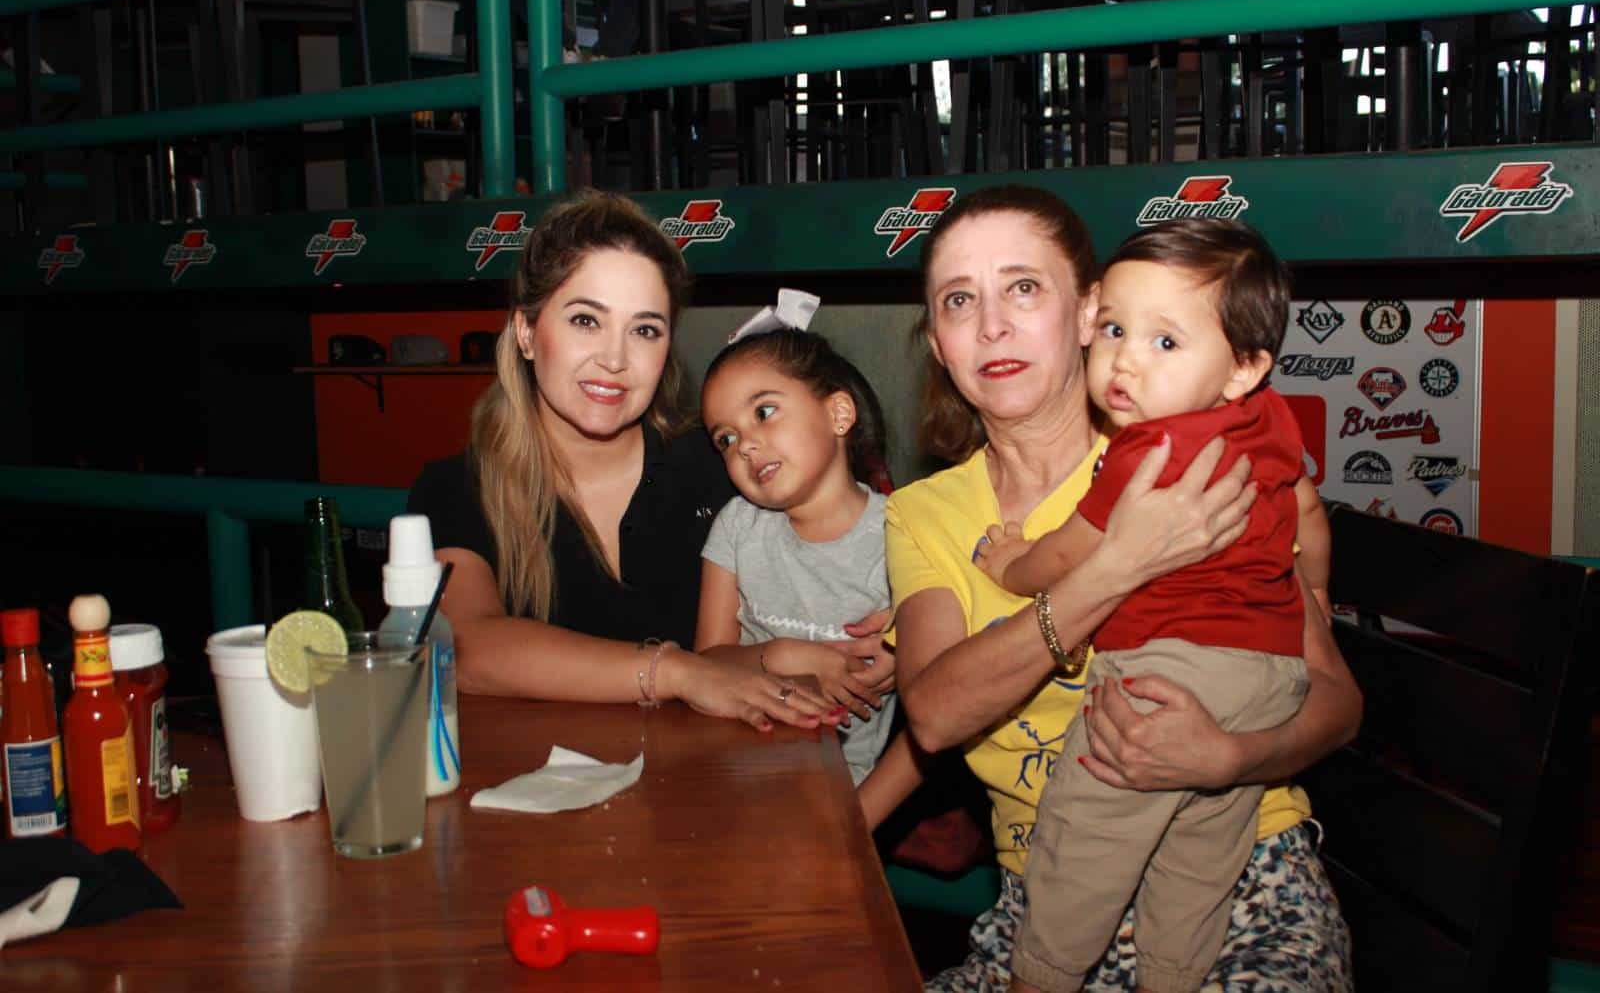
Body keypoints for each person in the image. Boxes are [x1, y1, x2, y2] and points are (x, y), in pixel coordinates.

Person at [886, 185, 1360, 991]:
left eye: (1023, 288)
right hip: (1052, 893)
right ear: (937, 341)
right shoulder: (923, 512)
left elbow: (1336, 702)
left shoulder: (1201, 454)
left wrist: (1230, 757)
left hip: (1241, 877)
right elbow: (933, 715)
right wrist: (1116, 567)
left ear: (1087, 312)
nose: (992, 324)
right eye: (959, 300)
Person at [409, 190, 863, 730]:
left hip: (710, 794)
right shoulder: (459, 486)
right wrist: (677, 673)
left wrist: (895, 614)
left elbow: (847, 534)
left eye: (644, 330)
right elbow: (467, 646)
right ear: (527, 333)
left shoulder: (722, 463)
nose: (616, 359)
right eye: (585, 321)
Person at [694, 316, 912, 826]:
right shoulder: (737, 528)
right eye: (725, 439)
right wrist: (784, 655)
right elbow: (707, 661)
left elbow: (945, 675)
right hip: (725, 772)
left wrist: (906, 649)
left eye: (764, 412)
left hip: (838, 791)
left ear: (838, 413)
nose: (744, 445)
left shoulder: (906, 533)